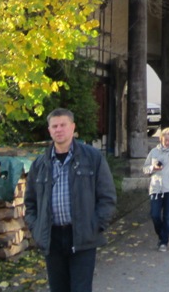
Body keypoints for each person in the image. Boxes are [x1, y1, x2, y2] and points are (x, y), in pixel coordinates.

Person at [25, 108, 117, 292]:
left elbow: (107, 197)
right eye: (54, 126)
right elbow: (30, 203)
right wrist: (36, 229)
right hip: (52, 238)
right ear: (49, 130)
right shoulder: (39, 164)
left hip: (82, 235)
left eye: (63, 125)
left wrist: (95, 225)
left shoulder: (92, 158)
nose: (59, 130)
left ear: (72, 127)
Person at [143, 127, 169, 252]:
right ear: (161, 139)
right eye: (165, 140)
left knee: (167, 216)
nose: (167, 142)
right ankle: (162, 235)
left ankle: (164, 242)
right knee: (155, 215)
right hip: (156, 187)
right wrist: (152, 168)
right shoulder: (154, 152)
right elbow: (145, 168)